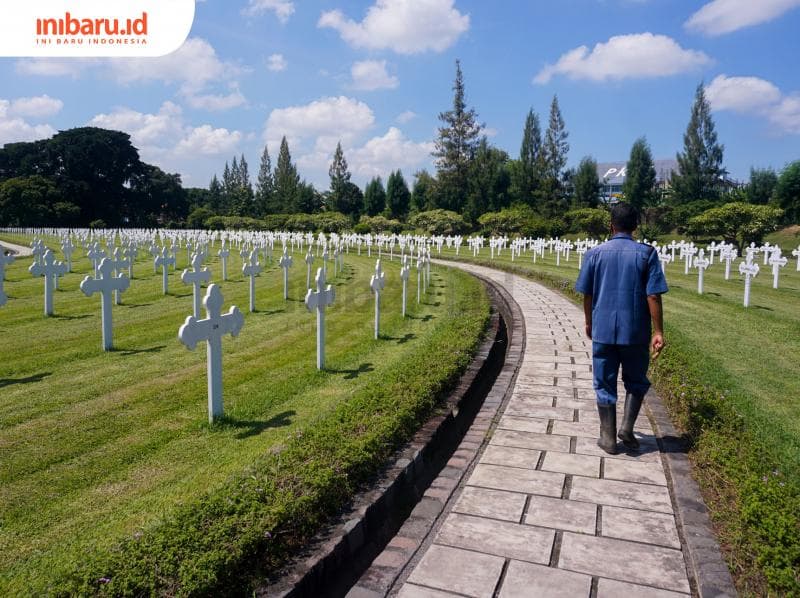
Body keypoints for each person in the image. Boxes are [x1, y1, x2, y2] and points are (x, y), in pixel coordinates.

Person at [575, 202, 668, 454]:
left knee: (604, 382)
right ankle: (626, 427)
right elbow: (653, 295)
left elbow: (587, 294)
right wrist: (658, 331)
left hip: (603, 330)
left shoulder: (594, 254)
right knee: (636, 379)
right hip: (635, 331)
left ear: (611, 225)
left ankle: (608, 437)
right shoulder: (647, 254)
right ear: (635, 226)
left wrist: (589, 321)